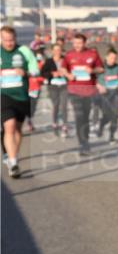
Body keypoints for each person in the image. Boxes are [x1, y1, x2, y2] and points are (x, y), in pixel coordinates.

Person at [1, 26, 40, 177]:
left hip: (22, 96)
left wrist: (26, 72)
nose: (9, 43)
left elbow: (36, 70)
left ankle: (13, 156)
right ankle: (13, 163)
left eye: (11, 40)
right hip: (3, 95)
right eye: (5, 40)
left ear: (15, 39)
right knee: (9, 126)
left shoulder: (24, 51)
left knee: (17, 129)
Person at [63, 33, 104, 156]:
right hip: (74, 90)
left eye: (80, 43)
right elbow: (63, 68)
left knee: (85, 117)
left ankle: (85, 141)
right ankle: (82, 144)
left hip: (89, 91)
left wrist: (92, 70)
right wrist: (68, 75)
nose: (77, 45)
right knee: (79, 116)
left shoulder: (92, 54)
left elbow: (101, 69)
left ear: (85, 43)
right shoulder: (69, 55)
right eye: (75, 43)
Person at [40, 42, 70, 137]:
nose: (57, 52)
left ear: (62, 50)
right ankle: (55, 123)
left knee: (64, 105)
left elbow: (71, 71)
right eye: (55, 50)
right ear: (52, 51)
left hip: (64, 85)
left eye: (59, 50)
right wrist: (53, 74)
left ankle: (65, 126)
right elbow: (43, 73)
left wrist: (65, 74)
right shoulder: (49, 61)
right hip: (53, 86)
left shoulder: (65, 60)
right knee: (56, 105)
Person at [96, 47, 118, 143]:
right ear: (106, 57)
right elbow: (93, 80)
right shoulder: (100, 68)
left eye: (115, 58)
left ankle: (112, 136)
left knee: (115, 115)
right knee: (107, 115)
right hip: (103, 95)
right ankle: (101, 125)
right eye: (111, 58)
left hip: (115, 94)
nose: (113, 60)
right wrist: (99, 86)